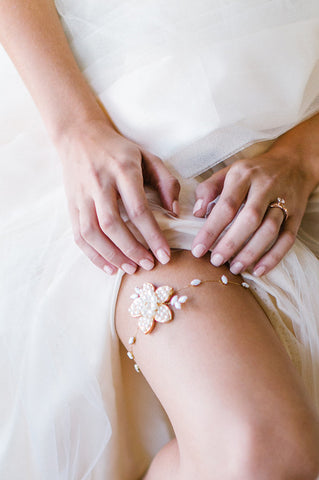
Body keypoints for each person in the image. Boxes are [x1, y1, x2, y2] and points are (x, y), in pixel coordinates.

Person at [1, 0, 319, 478]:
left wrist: (301, 158)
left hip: (295, 139)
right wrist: (77, 128)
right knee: (261, 451)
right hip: (127, 135)